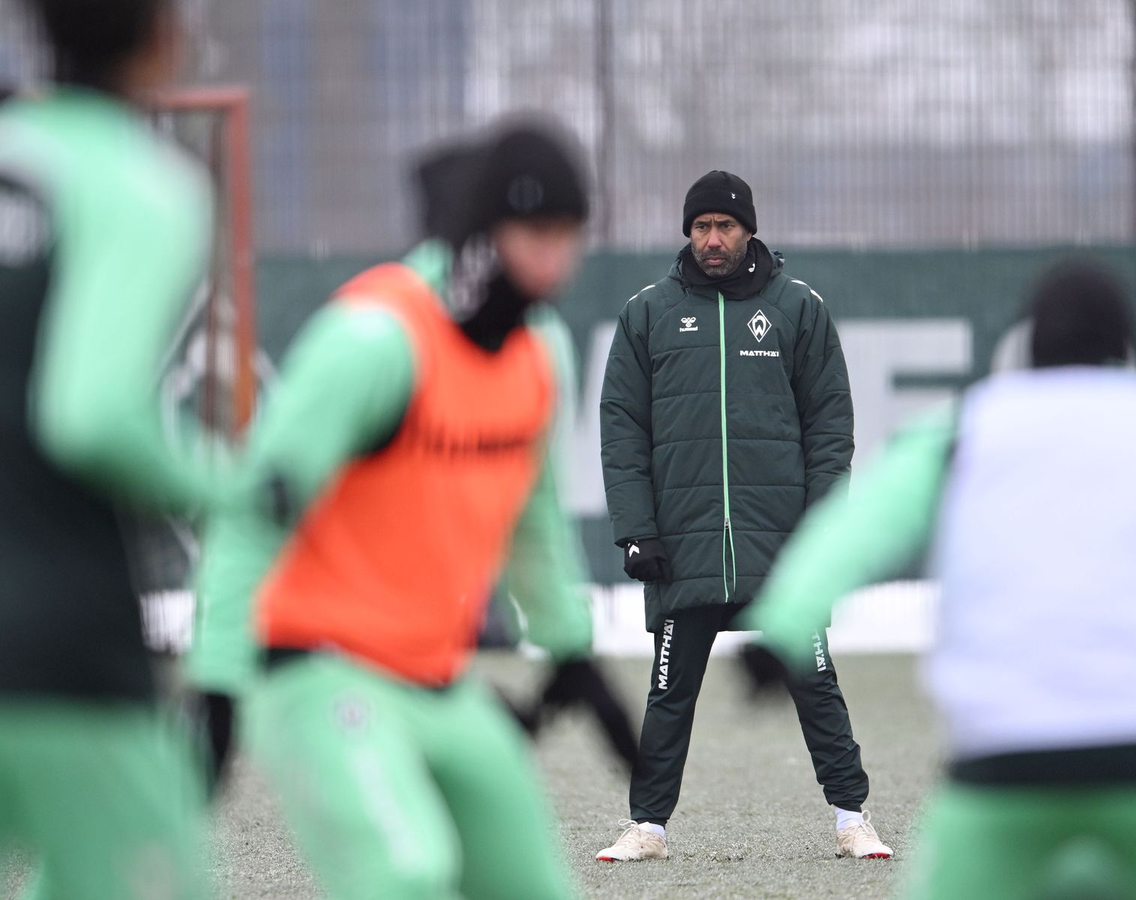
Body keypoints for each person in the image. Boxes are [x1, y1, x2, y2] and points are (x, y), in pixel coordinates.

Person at [187, 119, 623, 900]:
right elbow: (256, 510)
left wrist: (571, 652)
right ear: (485, 232)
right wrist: (216, 683)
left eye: (569, 236)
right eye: (537, 234)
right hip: (318, 673)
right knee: (404, 876)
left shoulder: (538, 352)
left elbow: (534, 517)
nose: (556, 259)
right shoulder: (377, 339)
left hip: (437, 681)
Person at [742, 259, 1136, 900]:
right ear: (1128, 347)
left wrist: (782, 631)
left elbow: (857, 529)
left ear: (1029, 343)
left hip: (1004, 756)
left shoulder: (967, 426)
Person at [596, 170, 891, 861]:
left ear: (749, 230)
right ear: (688, 233)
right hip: (686, 547)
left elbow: (830, 427)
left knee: (815, 684)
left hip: (781, 549)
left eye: (724, 226)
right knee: (669, 692)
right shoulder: (647, 313)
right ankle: (648, 826)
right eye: (701, 227)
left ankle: (852, 818)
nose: (712, 239)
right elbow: (621, 430)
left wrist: (821, 532)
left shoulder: (798, 308)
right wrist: (637, 529)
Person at [0, 0, 214, 897]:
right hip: (59, 643)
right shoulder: (143, 183)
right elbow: (90, 415)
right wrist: (229, 486)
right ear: (161, 36)